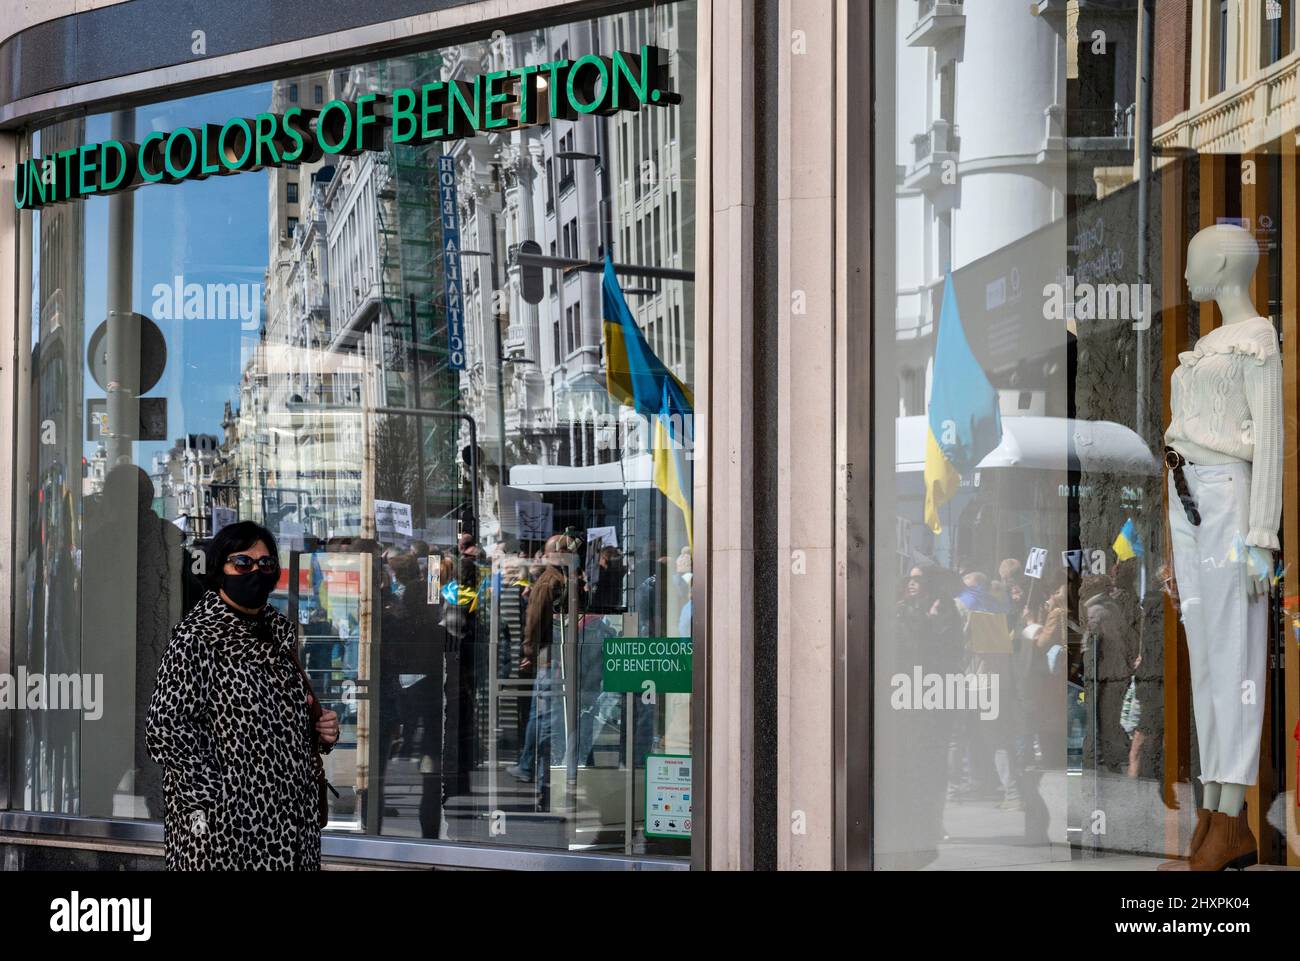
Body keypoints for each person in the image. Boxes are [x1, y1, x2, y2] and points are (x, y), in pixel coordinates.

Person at [146, 522, 340, 870]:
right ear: (221, 568)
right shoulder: (197, 639)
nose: (256, 571)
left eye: (265, 564)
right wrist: (219, 796)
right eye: (243, 563)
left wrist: (320, 732)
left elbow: (278, 718)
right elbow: (165, 729)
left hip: (289, 826)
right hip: (227, 837)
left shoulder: (278, 634)